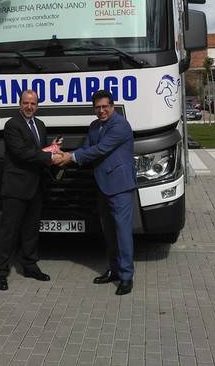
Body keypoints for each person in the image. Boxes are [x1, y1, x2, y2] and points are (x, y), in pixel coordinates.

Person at [59, 90, 137, 295]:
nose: (101, 111)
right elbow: (87, 148)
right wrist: (60, 155)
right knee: (109, 233)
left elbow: (100, 149)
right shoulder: (94, 126)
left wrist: (71, 157)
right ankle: (113, 270)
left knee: (122, 233)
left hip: (120, 187)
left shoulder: (120, 125)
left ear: (113, 106)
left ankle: (127, 277)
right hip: (102, 185)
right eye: (97, 107)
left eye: (105, 107)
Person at [0, 90, 63, 291]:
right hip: (16, 188)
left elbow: (37, 151)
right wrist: (51, 158)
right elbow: (23, 153)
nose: (29, 107)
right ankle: (0, 273)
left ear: (37, 105)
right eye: (26, 103)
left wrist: (52, 148)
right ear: (20, 104)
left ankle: (30, 266)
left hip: (35, 187)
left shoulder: (40, 125)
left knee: (31, 231)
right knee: (9, 232)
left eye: (33, 103)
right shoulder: (12, 125)